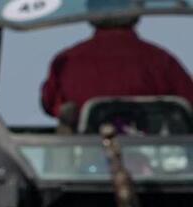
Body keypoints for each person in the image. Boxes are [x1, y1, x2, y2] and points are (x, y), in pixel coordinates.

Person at [41, 8, 193, 122]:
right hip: (150, 156)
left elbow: (50, 104)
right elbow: (188, 102)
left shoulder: (66, 60)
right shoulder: (161, 60)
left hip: (88, 156)